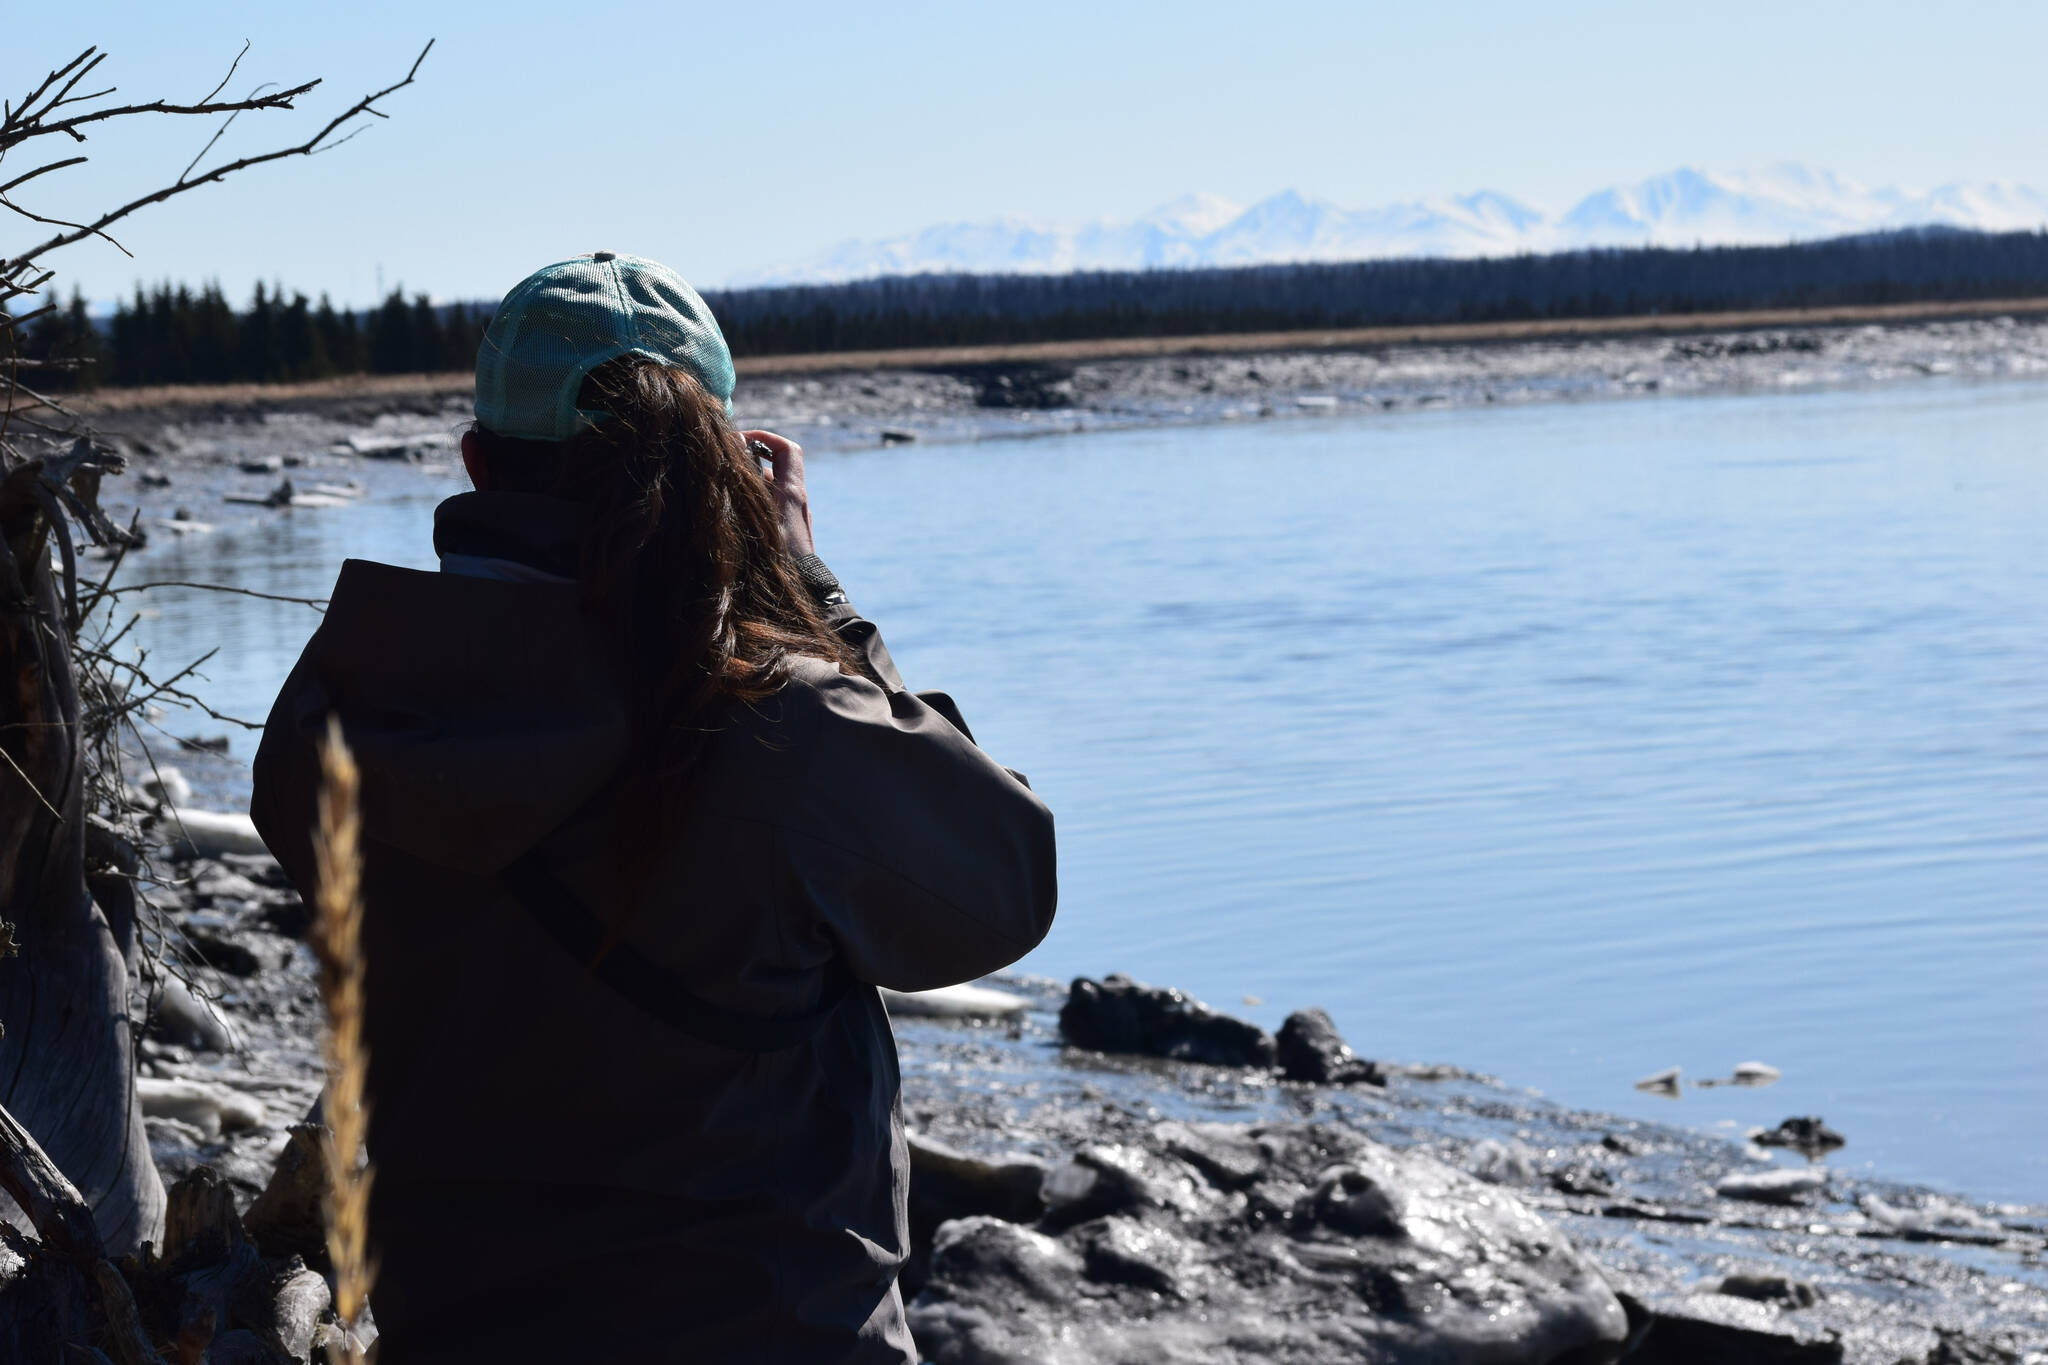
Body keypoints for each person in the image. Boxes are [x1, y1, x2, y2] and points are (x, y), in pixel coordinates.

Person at [251, 252, 1058, 1363]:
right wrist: (812, 601)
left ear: (478, 464)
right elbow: (1000, 889)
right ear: (723, 464)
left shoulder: (342, 711)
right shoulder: (782, 723)